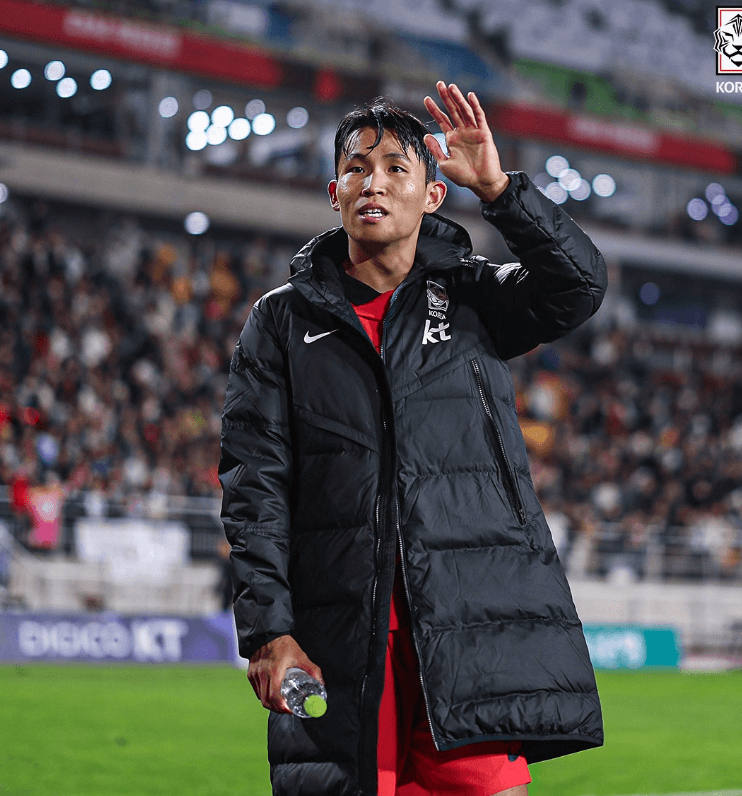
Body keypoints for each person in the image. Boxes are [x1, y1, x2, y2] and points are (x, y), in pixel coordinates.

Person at [219, 82, 606, 796]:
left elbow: (578, 286)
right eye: (357, 168)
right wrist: (268, 632)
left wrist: (500, 192)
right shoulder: (279, 323)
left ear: (432, 196)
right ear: (335, 193)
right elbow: (255, 487)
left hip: (473, 629)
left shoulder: (473, 297)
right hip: (343, 638)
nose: (373, 182)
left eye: (396, 167)